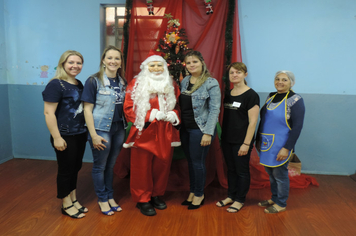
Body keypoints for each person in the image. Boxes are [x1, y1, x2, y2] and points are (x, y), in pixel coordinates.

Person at [123, 53, 181, 216]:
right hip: (144, 131)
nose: (156, 68)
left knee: (161, 166)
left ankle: (156, 195)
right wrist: (151, 115)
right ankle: (142, 199)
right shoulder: (135, 84)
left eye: (159, 65)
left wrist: (174, 114)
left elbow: (177, 105)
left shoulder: (171, 84)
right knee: (142, 167)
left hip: (165, 131)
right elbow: (128, 109)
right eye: (152, 65)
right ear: (145, 67)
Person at [81, 45, 127, 216]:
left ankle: (110, 196)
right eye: (109, 58)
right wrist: (93, 135)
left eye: (117, 58)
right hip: (100, 128)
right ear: (103, 60)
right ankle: (102, 199)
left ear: (121, 62)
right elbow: (87, 110)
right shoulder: (93, 81)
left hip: (119, 128)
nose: (113, 61)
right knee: (100, 166)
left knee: (111, 165)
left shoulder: (122, 82)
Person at [42, 50, 87, 219]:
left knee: (76, 168)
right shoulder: (56, 84)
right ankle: (66, 203)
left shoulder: (79, 84)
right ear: (63, 64)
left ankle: (74, 199)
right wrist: (57, 137)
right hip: (64, 135)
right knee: (65, 170)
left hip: (80, 133)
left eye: (78, 63)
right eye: (71, 62)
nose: (75, 66)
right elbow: (48, 113)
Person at [256, 70, 305, 214]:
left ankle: (281, 203)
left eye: (284, 79)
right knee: (270, 173)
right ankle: (275, 198)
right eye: (277, 79)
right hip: (266, 143)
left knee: (280, 175)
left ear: (291, 83)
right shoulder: (271, 97)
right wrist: (258, 139)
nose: (280, 82)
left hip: (281, 144)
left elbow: (297, 127)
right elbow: (263, 120)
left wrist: (287, 147)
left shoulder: (296, 100)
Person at [180, 50, 221, 210]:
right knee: (190, 162)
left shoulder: (211, 83)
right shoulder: (185, 81)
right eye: (188, 63)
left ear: (202, 63)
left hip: (201, 129)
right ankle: (192, 191)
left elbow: (214, 109)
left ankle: (199, 194)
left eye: (195, 62)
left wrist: (208, 133)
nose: (191, 65)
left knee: (198, 163)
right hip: (186, 129)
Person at [216, 62, 260, 213]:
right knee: (231, 169)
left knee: (241, 171)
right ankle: (231, 195)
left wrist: (246, 144)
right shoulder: (228, 93)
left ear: (245, 75)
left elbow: (253, 122)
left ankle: (240, 199)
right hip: (227, 139)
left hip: (242, 141)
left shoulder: (251, 95)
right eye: (232, 73)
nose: (235, 75)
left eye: (238, 72)